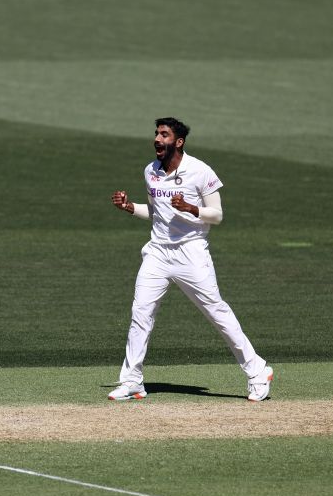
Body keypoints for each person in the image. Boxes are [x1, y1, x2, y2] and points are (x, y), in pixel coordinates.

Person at [108, 117, 273, 402]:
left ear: (179, 141)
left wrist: (191, 208)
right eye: (156, 134)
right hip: (158, 253)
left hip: (191, 253)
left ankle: (258, 371)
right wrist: (129, 207)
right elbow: (155, 212)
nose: (157, 140)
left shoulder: (200, 170)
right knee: (141, 314)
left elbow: (217, 215)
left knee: (216, 312)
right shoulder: (151, 171)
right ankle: (132, 381)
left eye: (164, 135)